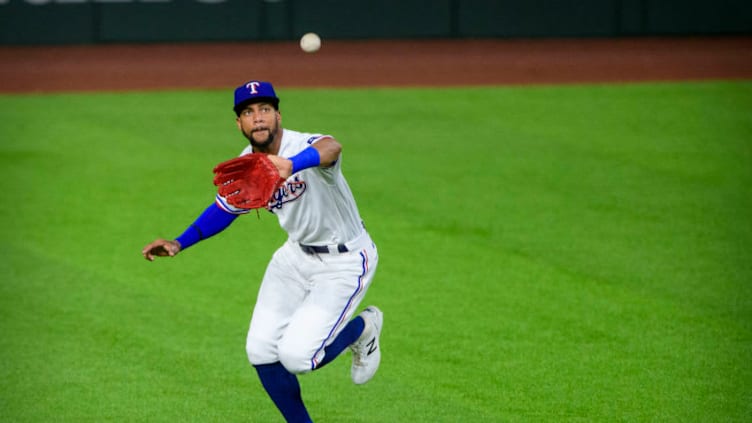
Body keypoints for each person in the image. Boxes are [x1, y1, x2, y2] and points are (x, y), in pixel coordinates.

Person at [141, 80, 382, 423]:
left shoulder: (303, 146)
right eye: (248, 112)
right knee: (261, 351)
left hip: (344, 261)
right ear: (238, 124)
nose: (258, 119)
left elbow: (333, 148)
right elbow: (225, 208)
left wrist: (291, 165)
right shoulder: (247, 163)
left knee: (298, 358)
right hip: (295, 257)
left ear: (278, 116)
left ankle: (364, 328)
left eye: (265, 110)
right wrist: (180, 242)